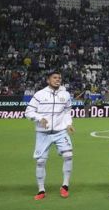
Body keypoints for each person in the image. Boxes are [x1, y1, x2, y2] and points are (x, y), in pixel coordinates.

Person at [24, 71, 75, 200]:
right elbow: (28, 111)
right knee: (40, 162)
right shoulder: (39, 95)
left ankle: (65, 186)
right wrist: (39, 118)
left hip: (60, 132)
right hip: (43, 133)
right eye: (54, 78)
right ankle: (41, 190)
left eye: (59, 78)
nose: (58, 80)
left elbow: (67, 111)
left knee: (68, 156)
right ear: (48, 80)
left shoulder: (66, 95)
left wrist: (68, 123)